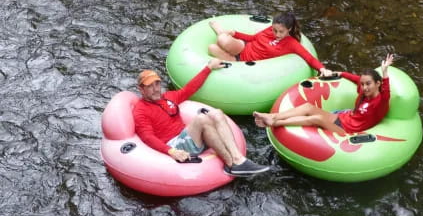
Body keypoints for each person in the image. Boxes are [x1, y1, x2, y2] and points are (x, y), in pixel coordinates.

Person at [133, 58, 269, 177]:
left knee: (217, 113)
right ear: (141, 89)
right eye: (149, 86)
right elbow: (147, 138)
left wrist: (209, 67)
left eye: (157, 84)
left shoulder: (168, 96)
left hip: (188, 137)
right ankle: (231, 163)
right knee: (201, 119)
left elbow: (189, 89)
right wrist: (171, 151)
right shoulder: (140, 110)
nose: (156, 89)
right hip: (174, 144)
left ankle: (238, 159)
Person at [253, 54, 394, 135]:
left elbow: (387, 93)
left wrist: (385, 71)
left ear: (378, 83)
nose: (364, 87)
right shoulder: (363, 92)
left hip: (347, 131)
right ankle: (273, 116)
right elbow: (356, 78)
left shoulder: (380, 101)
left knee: (317, 118)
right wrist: (341, 73)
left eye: (368, 84)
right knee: (308, 107)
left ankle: (276, 123)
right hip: (343, 119)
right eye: (363, 84)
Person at [208, 12, 333, 76]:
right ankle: (221, 32)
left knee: (212, 48)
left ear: (289, 29)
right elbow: (253, 38)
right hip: (243, 47)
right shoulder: (270, 30)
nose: (277, 34)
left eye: (281, 31)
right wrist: (235, 33)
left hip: (242, 62)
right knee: (223, 40)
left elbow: (309, 57)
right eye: (275, 30)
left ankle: (221, 33)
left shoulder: (292, 44)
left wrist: (322, 69)